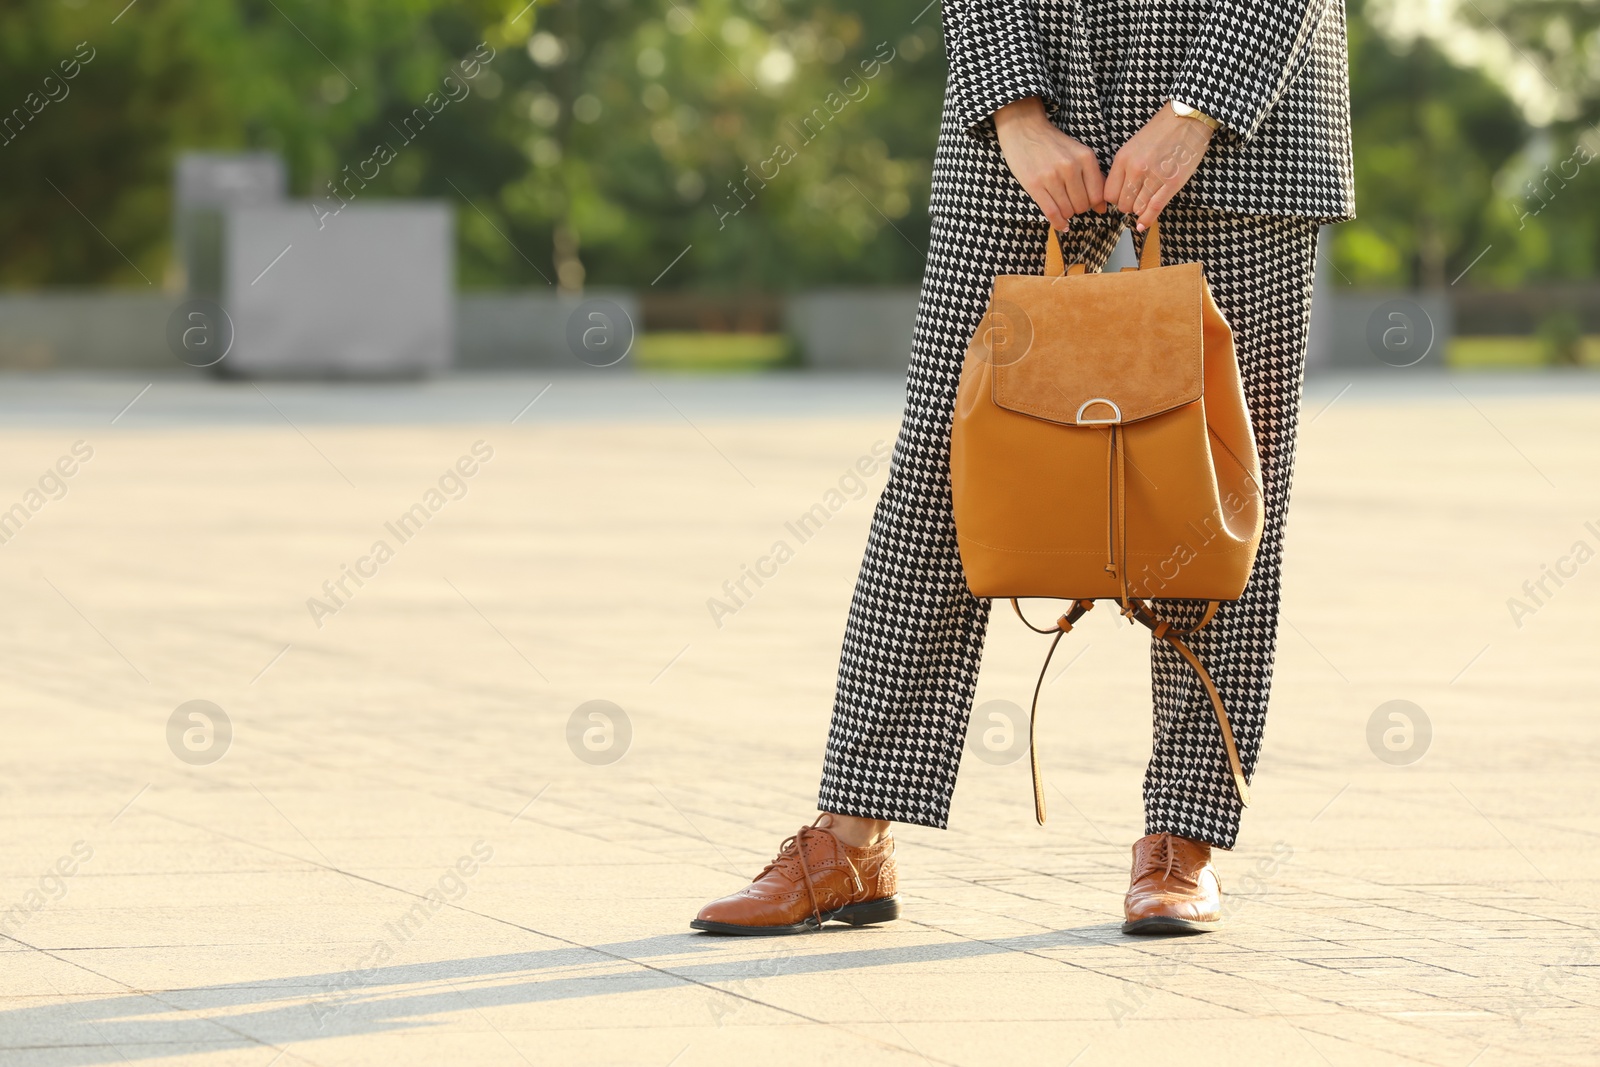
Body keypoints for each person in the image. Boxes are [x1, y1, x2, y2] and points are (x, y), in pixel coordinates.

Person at [691, 0, 1354, 936]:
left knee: (1222, 489)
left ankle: (1183, 837)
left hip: (1250, 115)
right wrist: (1014, 109)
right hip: (1024, 106)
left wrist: (1201, 105)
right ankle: (851, 837)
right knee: (936, 471)